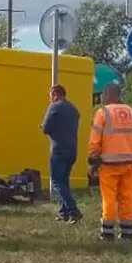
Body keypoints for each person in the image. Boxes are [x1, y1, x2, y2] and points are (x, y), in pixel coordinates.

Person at [87, 81, 132, 240]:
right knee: (127, 197)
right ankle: (128, 231)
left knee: (109, 198)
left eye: (103, 95)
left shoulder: (103, 113)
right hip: (128, 164)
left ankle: (107, 232)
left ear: (108, 95)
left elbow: (95, 141)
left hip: (108, 165)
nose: (102, 98)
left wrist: (92, 161)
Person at [40, 84, 82, 224]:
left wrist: (42, 128)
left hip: (58, 149)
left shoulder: (54, 107)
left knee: (57, 182)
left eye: (51, 96)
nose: (50, 99)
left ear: (56, 95)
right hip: (72, 150)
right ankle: (64, 212)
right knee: (64, 181)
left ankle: (73, 209)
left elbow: (46, 128)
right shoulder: (74, 109)